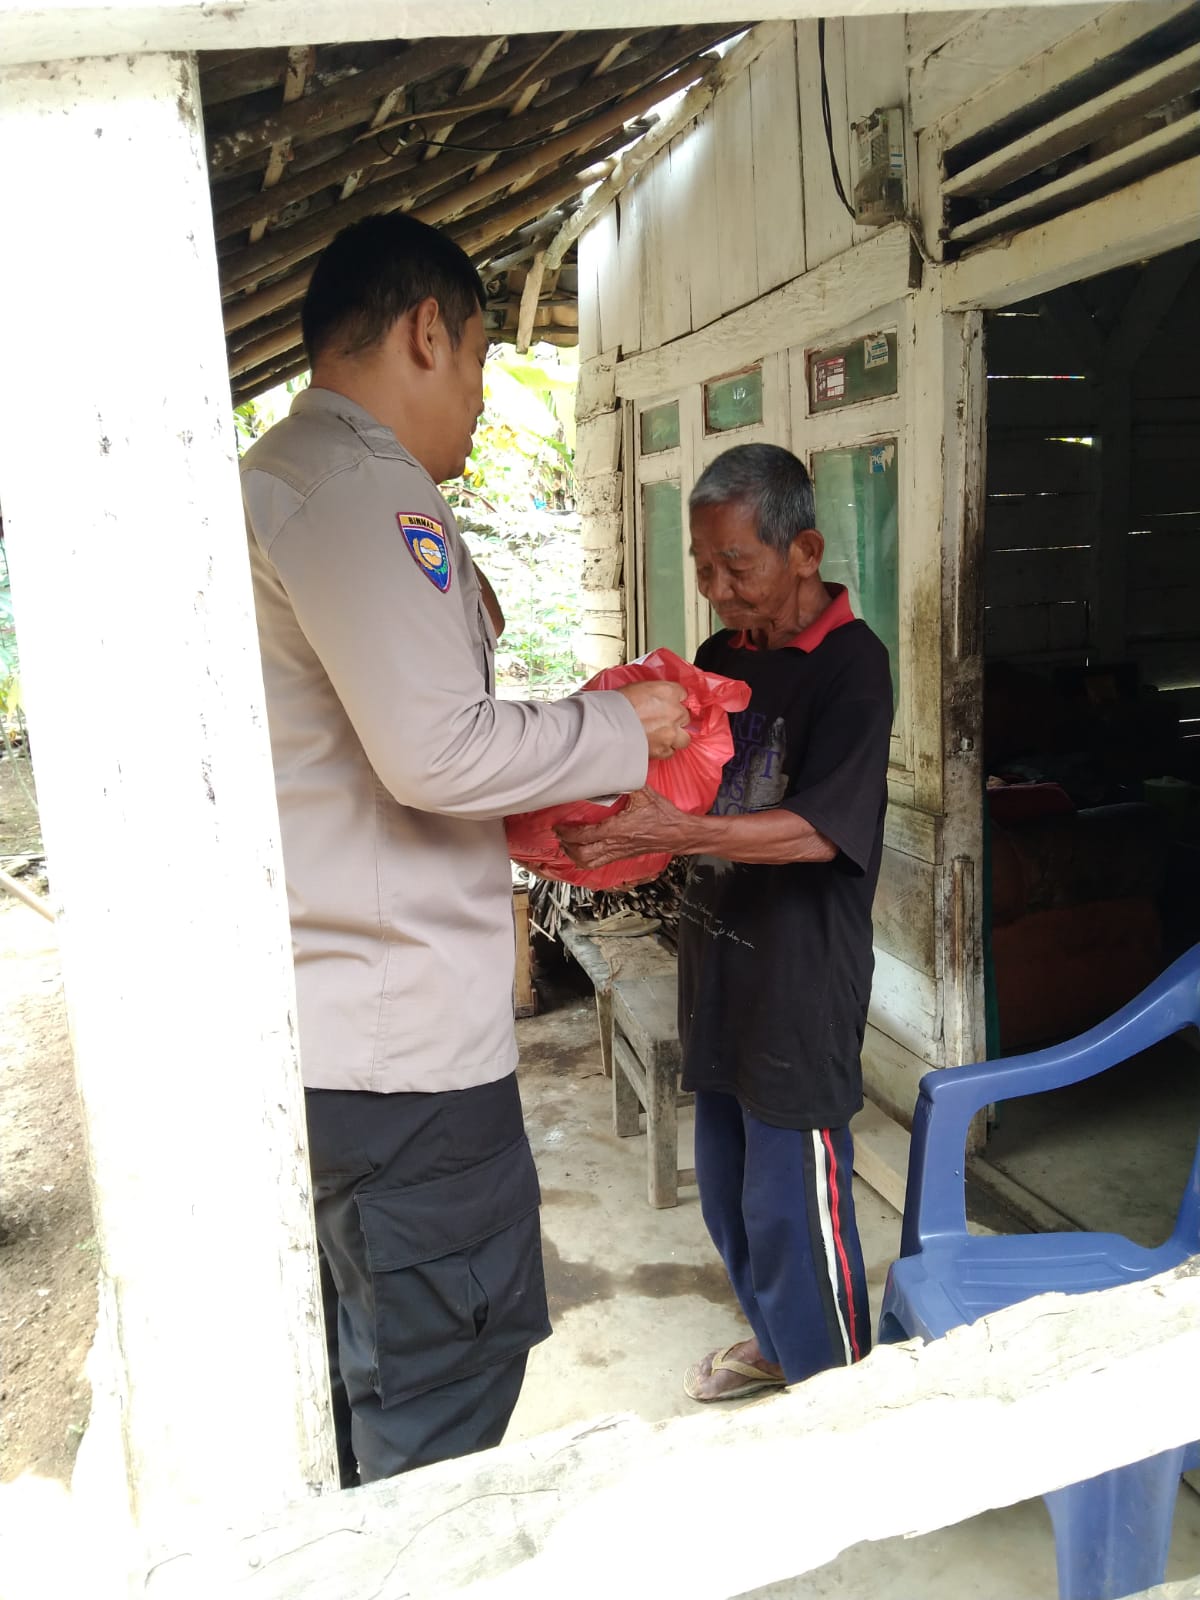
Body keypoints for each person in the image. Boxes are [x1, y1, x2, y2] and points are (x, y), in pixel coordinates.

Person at [240, 212, 690, 1484]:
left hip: (339, 1043)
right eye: (485, 360)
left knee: (372, 1374)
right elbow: (436, 750)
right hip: (406, 1068)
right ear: (426, 331)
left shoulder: (282, 481)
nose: (487, 400)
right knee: (444, 1388)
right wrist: (622, 726)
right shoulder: (358, 486)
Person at [558, 443, 892, 1402]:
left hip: (801, 974)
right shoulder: (717, 663)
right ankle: (779, 1342)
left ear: (804, 550)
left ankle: (840, 1394)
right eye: (700, 564)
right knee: (733, 1180)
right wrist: (617, 829)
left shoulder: (852, 670)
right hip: (719, 956)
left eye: (733, 565)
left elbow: (821, 835)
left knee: (796, 1194)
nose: (710, 587)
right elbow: (685, 789)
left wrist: (684, 826)